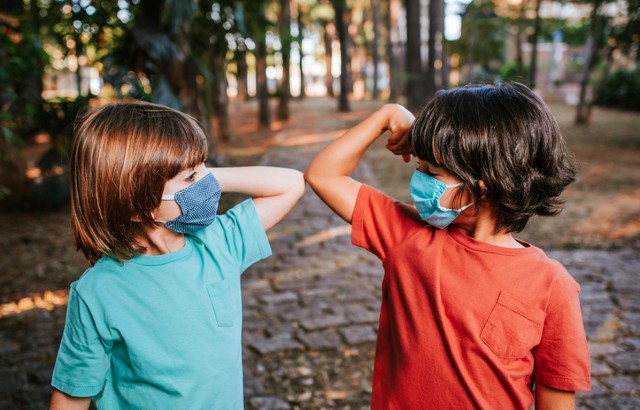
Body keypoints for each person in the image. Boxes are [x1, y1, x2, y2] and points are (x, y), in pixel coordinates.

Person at [305, 83, 591, 409]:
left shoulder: (553, 287)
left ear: (482, 187)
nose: (418, 180)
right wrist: (388, 115)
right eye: (419, 167)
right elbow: (323, 175)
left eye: (432, 172)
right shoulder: (406, 235)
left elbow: (555, 401)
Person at [49, 101, 305, 409]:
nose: (206, 186)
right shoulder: (97, 292)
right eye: (189, 179)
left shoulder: (219, 242)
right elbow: (70, 397)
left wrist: (201, 173)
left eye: (203, 170)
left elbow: (291, 184)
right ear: (135, 202)